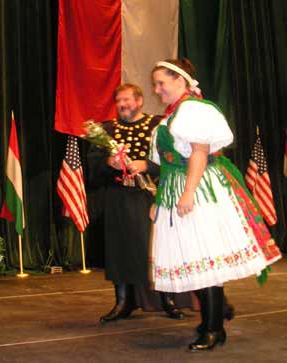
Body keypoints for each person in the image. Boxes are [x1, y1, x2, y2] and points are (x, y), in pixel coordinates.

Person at [149, 58, 281, 351]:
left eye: (161, 83)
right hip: (176, 187)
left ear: (181, 81)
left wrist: (188, 193)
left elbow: (198, 153)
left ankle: (213, 329)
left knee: (201, 256)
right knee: (188, 258)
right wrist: (159, 197)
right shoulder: (170, 116)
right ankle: (214, 316)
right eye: (156, 84)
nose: (157, 89)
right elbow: (168, 165)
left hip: (199, 188)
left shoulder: (193, 110)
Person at [87, 83, 193, 323]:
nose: (123, 105)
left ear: (140, 101)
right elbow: (92, 173)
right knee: (119, 250)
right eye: (119, 101)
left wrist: (148, 165)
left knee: (157, 249)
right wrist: (109, 164)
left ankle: (167, 300)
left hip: (151, 196)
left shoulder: (156, 126)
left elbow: (175, 159)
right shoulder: (107, 131)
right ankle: (123, 302)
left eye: (127, 100)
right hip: (118, 197)